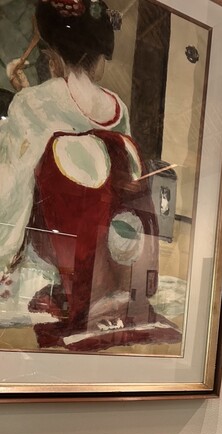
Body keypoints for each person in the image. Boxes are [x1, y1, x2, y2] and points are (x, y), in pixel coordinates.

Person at [0, 0, 181, 350]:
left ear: (51, 54)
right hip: (110, 242)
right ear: (99, 57)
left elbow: (15, 180)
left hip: (66, 243)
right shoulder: (116, 105)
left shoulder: (33, 102)